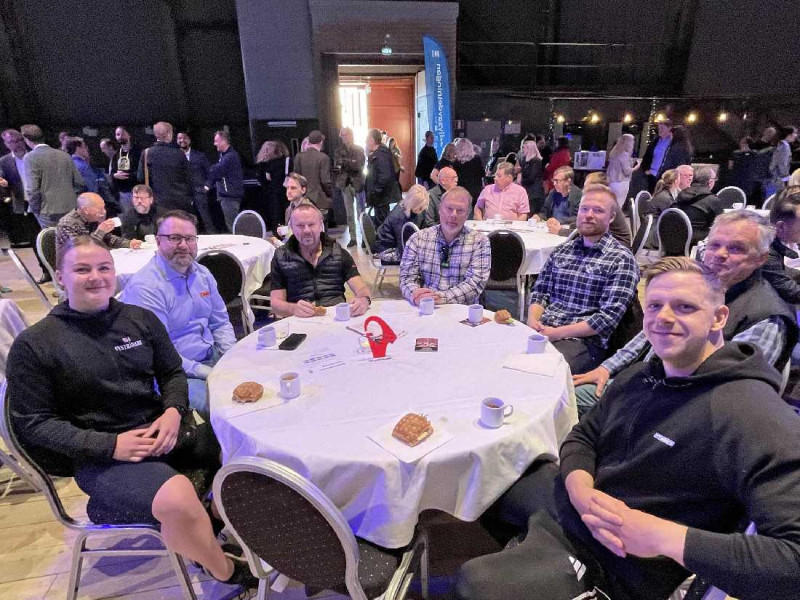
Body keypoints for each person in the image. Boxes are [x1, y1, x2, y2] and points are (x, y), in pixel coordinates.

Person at [456, 257, 800, 600]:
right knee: (489, 474)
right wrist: (580, 488)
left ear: (719, 317)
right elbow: (584, 436)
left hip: (618, 563)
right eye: (655, 306)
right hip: (582, 506)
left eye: (684, 307)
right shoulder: (642, 376)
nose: (664, 317)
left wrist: (661, 536)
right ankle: (530, 558)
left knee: (475, 583)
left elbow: (792, 560)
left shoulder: (754, 415)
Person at [7, 236, 255, 591]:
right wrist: (111, 445)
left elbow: (172, 373)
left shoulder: (139, 320)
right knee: (178, 497)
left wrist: (173, 411)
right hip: (102, 458)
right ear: (60, 276)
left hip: (164, 433)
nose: (96, 277)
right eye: (82, 269)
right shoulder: (36, 344)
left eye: (103, 268)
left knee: (245, 443)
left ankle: (213, 517)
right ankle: (225, 570)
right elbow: (34, 424)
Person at [573, 210, 798, 414]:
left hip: (681, 410)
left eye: (736, 248)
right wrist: (607, 367)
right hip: (644, 383)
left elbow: (728, 390)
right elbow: (647, 335)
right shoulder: (699, 285)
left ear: (760, 258)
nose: (720, 254)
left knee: (567, 400)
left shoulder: (766, 316)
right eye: (714, 245)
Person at [119, 210, 236, 416]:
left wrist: (231, 356)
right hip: (173, 374)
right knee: (226, 405)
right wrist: (206, 372)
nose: (183, 245)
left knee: (257, 382)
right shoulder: (146, 288)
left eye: (189, 238)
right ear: (158, 241)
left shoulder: (202, 274)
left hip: (211, 355)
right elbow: (160, 353)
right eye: (174, 238)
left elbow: (220, 322)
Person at [527, 185, 639, 373]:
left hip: (583, 342)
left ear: (611, 217)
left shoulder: (621, 259)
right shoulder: (562, 250)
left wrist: (556, 333)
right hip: (544, 329)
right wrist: (532, 321)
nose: (589, 215)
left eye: (598, 210)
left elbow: (606, 319)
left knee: (540, 370)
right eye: (584, 209)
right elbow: (540, 292)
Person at [269, 201, 372, 317]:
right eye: (300, 226)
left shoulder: (337, 252)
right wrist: (292, 308)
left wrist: (363, 300)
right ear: (291, 227)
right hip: (300, 319)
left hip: (335, 317)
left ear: (321, 225)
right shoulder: (281, 257)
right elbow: (276, 303)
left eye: (311, 224)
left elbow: (362, 288)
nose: (307, 230)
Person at [400, 186, 491, 306]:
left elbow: (475, 283)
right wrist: (416, 294)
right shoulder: (418, 239)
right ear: (439, 210)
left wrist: (439, 298)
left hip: (462, 310)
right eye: (449, 209)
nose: (453, 215)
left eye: (460, 210)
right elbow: (407, 277)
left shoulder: (480, 242)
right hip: (425, 307)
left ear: (467, 215)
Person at [21, 124, 85, 229]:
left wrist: (36, 209)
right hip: (70, 207)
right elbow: (80, 182)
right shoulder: (64, 155)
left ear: (26, 139)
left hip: (47, 210)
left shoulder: (30, 157)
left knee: (52, 238)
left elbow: (32, 189)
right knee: (71, 237)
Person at [0, 128, 44, 257]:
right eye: (11, 141)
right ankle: (43, 265)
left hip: (42, 200)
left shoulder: (35, 155)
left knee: (48, 233)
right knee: (34, 237)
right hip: (23, 202)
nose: (17, 144)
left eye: (19, 140)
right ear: (6, 144)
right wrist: (3, 183)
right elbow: (2, 179)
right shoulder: (4, 161)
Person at [138, 122, 193, 213]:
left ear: (155, 134)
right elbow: (189, 178)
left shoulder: (147, 153)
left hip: (157, 202)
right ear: (169, 134)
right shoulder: (179, 153)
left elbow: (140, 177)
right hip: (179, 202)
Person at [56, 192, 139, 252]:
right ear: (86, 210)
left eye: (103, 208)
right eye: (100, 209)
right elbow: (81, 251)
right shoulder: (67, 224)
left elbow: (107, 238)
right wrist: (101, 231)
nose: (104, 212)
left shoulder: (92, 218)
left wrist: (128, 243)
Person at [374, 184, 430, 264]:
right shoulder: (399, 217)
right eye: (420, 208)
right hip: (387, 249)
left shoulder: (408, 207)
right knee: (423, 259)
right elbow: (403, 246)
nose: (422, 210)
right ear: (412, 203)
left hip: (399, 243)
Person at [763, 186, 800, 304]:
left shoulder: (770, 236)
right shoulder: (764, 248)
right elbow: (790, 292)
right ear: (781, 226)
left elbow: (779, 270)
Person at [204, 130, 244, 233]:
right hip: (229, 196)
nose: (214, 144)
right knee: (231, 224)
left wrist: (207, 185)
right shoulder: (226, 156)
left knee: (233, 226)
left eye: (216, 141)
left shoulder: (229, 156)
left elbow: (217, 170)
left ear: (223, 141)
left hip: (229, 196)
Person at [333, 127, 366, 247]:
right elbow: (337, 166)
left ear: (351, 135)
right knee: (349, 214)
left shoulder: (359, 149)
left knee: (361, 212)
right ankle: (353, 238)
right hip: (345, 184)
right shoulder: (338, 150)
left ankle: (364, 238)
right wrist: (351, 162)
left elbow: (359, 165)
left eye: (345, 134)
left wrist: (346, 162)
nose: (343, 137)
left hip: (358, 184)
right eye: (342, 135)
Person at [177, 132, 215, 234]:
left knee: (206, 219)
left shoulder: (200, 156)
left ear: (189, 140)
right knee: (186, 221)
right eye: (179, 138)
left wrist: (207, 186)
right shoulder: (174, 157)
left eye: (185, 138)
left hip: (200, 193)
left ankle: (213, 238)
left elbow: (210, 173)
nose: (182, 140)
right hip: (183, 194)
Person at [675, 165, 723, 244]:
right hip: (697, 241)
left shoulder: (680, 194)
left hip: (675, 237)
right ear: (710, 182)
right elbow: (722, 223)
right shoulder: (712, 200)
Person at [365, 128, 400, 226]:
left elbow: (385, 177)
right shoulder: (378, 154)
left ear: (372, 140)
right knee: (380, 223)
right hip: (379, 198)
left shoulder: (381, 155)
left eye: (367, 138)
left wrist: (375, 193)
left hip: (381, 198)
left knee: (382, 225)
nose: (365, 141)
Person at [292, 129, 333, 215]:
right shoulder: (323, 157)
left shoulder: (299, 156)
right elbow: (325, 181)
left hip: (302, 198)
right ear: (321, 142)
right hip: (319, 199)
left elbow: (296, 178)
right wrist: (331, 194)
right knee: (320, 222)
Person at [256, 140, 292, 233]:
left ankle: (278, 233)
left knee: (276, 217)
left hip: (271, 195)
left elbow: (266, 179)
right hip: (284, 192)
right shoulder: (286, 161)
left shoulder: (264, 165)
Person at [533, 166, 581, 232]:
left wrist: (558, 221)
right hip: (550, 228)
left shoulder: (578, 195)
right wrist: (539, 217)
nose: (554, 184)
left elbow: (577, 218)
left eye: (557, 181)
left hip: (566, 231)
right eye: (553, 180)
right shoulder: (553, 193)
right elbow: (545, 211)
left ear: (568, 181)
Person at [606, 133, 640, 207]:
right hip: (621, 183)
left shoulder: (614, 153)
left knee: (611, 205)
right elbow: (627, 171)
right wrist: (637, 166)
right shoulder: (624, 154)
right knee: (619, 205)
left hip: (612, 183)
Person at [111, 126, 141, 213]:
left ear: (129, 135)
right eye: (118, 134)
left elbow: (142, 170)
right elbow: (112, 171)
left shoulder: (138, 152)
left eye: (123, 134)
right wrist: (115, 175)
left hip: (137, 191)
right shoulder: (116, 154)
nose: (120, 136)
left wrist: (129, 176)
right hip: (123, 193)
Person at [640, 119, 673, 191]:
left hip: (664, 176)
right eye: (659, 128)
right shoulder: (656, 141)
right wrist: (646, 169)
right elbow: (647, 156)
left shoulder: (672, 142)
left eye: (662, 128)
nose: (660, 130)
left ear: (669, 128)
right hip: (651, 174)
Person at [451, 138, 484, 207]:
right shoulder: (477, 159)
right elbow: (482, 174)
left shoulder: (455, 162)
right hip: (476, 191)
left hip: (461, 191)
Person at [516, 139, 545, 214]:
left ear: (529, 149)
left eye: (524, 148)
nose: (522, 150)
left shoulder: (536, 161)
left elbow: (532, 178)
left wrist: (521, 181)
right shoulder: (524, 161)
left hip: (534, 194)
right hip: (528, 191)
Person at [768, 125, 797, 196]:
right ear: (789, 135)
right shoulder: (785, 146)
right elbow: (782, 164)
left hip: (772, 178)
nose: (796, 135)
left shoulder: (780, 144)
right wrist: (787, 179)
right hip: (777, 180)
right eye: (795, 133)